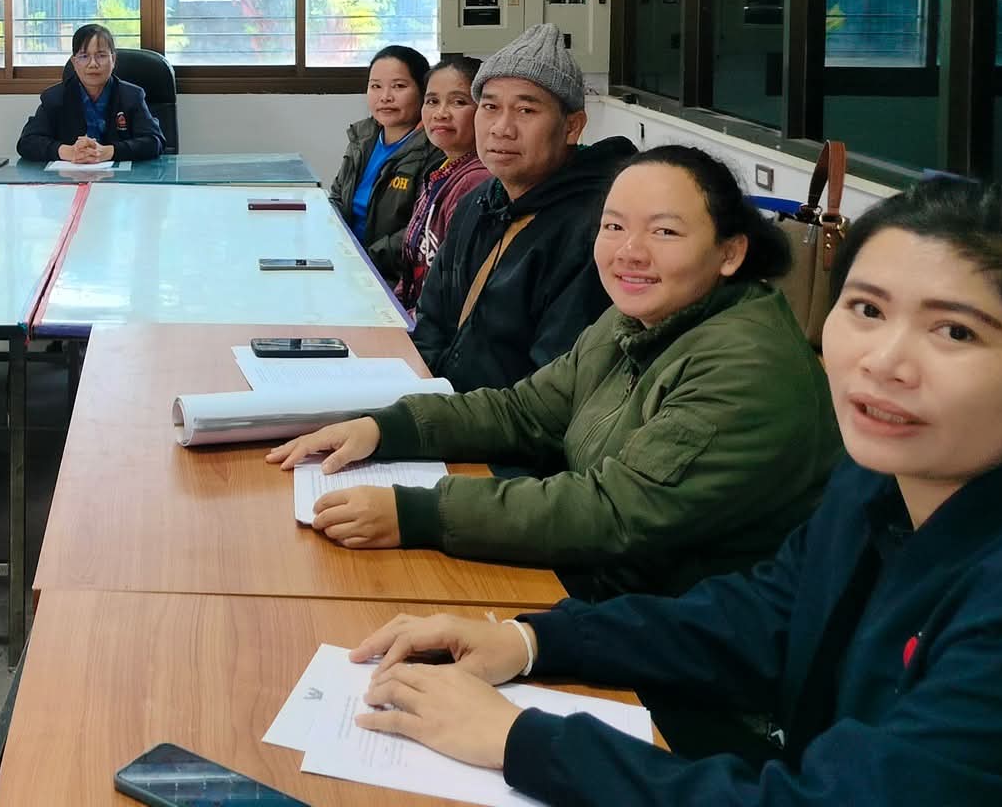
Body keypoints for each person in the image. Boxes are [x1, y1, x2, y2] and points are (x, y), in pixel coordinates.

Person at [342, 178, 1002, 802]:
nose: (885, 362)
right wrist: (531, 638)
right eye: (866, 310)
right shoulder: (882, 478)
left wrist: (518, 738)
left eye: (955, 332)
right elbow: (767, 616)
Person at [272, 146, 840, 601]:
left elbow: (613, 513)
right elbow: (524, 411)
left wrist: (418, 512)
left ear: (731, 253)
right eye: (613, 227)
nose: (629, 252)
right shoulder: (635, 318)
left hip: (673, 644)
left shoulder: (744, 366)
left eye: (665, 233)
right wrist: (384, 428)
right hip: (598, 590)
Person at [413, 23, 635, 393]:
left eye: (526, 110)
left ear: (572, 127)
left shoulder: (596, 228)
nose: (502, 128)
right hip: (447, 411)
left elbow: (552, 386)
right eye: (490, 107)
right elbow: (432, 322)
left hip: (510, 434)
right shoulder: (478, 203)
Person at [328, 45, 442, 282]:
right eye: (375, 86)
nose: (385, 97)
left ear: (423, 92)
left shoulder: (434, 151)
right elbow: (338, 198)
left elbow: (421, 231)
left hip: (390, 277)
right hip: (347, 264)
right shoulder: (363, 138)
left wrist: (364, 259)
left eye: (399, 86)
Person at [393, 57, 492, 310]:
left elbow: (454, 292)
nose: (440, 114)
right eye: (432, 101)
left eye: (458, 102)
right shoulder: (440, 170)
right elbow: (413, 267)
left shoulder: (477, 181)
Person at [16, 22, 165, 164]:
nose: (93, 64)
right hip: (69, 181)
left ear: (113, 60)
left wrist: (109, 152)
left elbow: (155, 141)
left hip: (119, 184)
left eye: (101, 55)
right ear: (74, 63)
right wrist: (69, 152)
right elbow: (27, 142)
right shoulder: (55, 98)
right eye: (84, 56)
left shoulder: (131, 96)